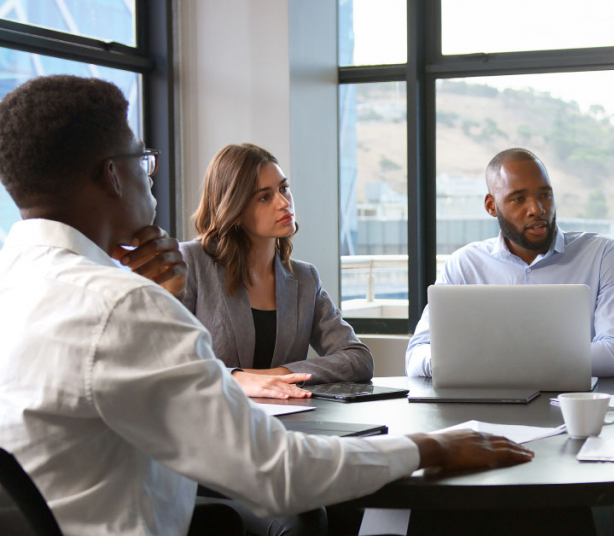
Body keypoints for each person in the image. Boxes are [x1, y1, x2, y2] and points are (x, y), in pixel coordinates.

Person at [0, 75, 533, 536]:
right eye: (143, 159)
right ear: (112, 176)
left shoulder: (21, 284)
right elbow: (275, 473)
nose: (151, 172)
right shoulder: (121, 304)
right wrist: (431, 448)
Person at [405, 148, 614, 378]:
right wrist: (458, 364)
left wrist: (497, 363)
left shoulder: (601, 255)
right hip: (482, 411)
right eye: (518, 199)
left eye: (545, 195)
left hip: (571, 408)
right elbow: (416, 355)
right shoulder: (464, 265)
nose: (537, 209)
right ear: (491, 206)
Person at [181, 143, 370, 400]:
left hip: (288, 422)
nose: (283, 203)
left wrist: (276, 375)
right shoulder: (191, 262)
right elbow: (166, 361)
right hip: (211, 421)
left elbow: (357, 358)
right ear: (234, 210)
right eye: (264, 197)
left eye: (284, 188)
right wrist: (238, 378)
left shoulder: (304, 278)